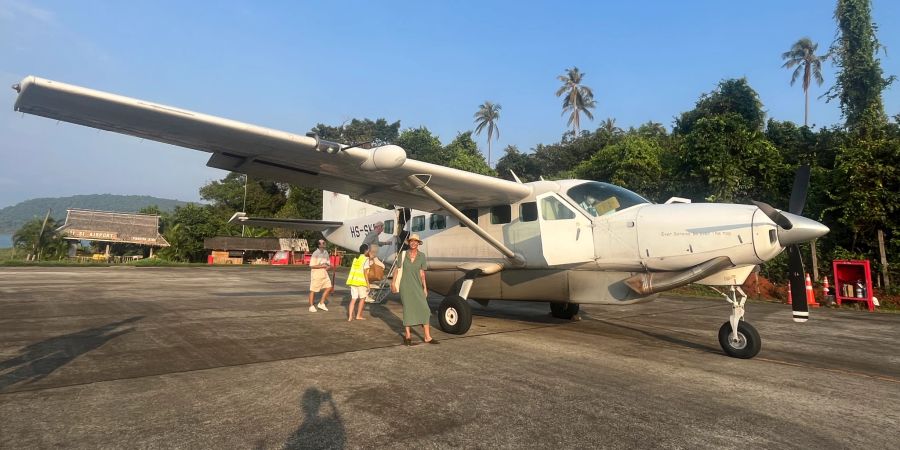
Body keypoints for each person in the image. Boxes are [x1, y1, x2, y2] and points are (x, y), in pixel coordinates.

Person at [391, 234, 437, 346]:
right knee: (408, 309)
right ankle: (408, 335)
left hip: (417, 286)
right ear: (409, 242)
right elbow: (397, 270)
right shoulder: (403, 255)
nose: (413, 243)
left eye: (416, 241)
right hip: (405, 286)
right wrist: (393, 283)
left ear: (418, 243)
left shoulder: (422, 256)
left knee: (425, 310)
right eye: (411, 241)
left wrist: (425, 288)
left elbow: (422, 273)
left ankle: (427, 337)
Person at [346, 244, 370, 321]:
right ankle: (358, 315)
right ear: (366, 251)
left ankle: (350, 317)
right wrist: (368, 284)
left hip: (353, 281)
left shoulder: (355, 259)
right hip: (361, 282)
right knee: (362, 298)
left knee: (353, 299)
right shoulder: (366, 259)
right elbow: (365, 273)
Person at [308, 239, 333, 312]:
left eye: (324, 242)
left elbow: (328, 263)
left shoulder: (326, 252)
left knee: (329, 287)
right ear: (319, 245)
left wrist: (328, 266)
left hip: (324, 273)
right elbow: (311, 266)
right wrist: (322, 266)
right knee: (313, 290)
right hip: (316, 274)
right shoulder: (315, 254)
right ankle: (311, 306)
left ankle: (321, 303)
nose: (324, 243)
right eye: (323, 243)